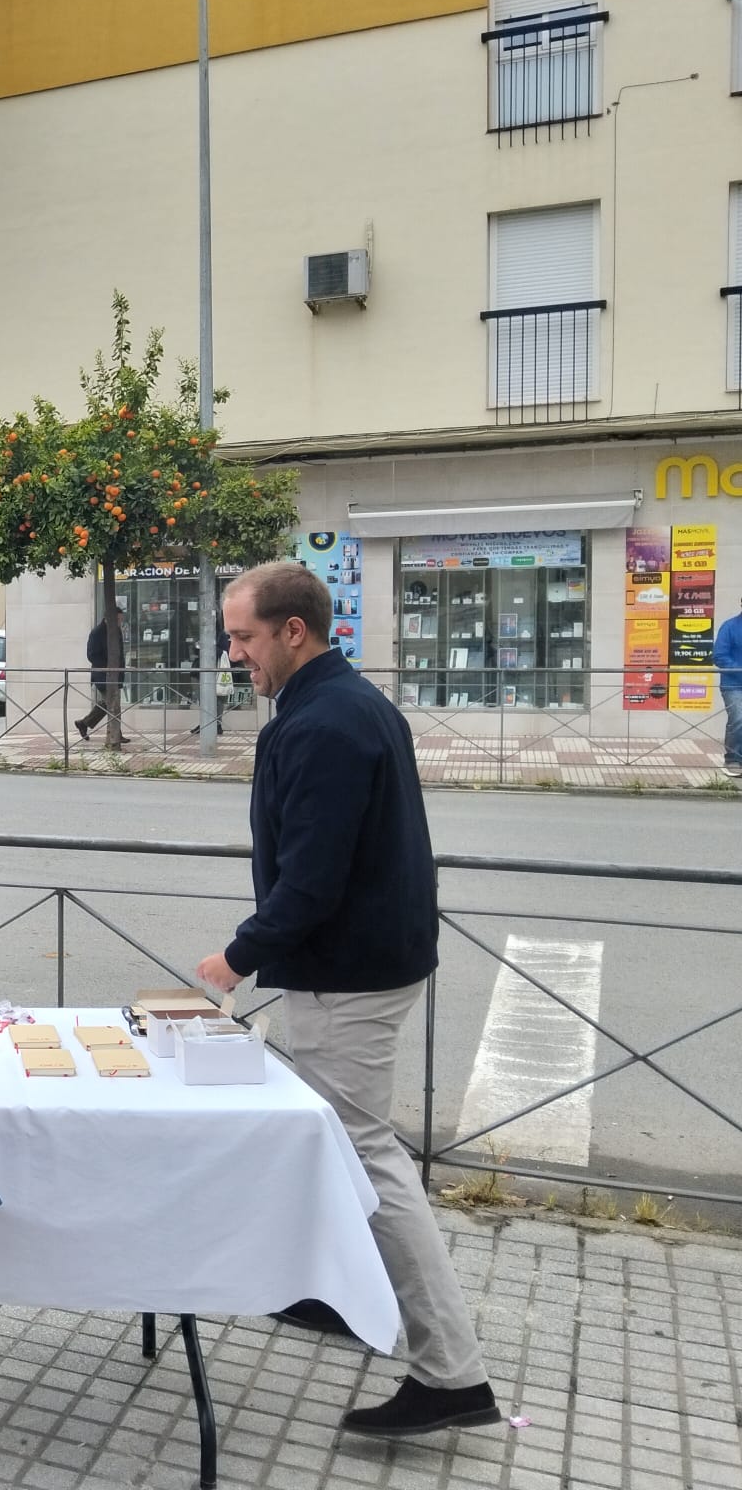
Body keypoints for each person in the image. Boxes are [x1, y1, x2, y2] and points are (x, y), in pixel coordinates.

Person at [194, 561, 498, 1440]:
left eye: (245, 637)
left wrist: (236, 958)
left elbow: (312, 877)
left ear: (295, 631)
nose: (235, 653)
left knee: (370, 1161)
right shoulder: (352, 703)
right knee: (343, 1144)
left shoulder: (323, 724)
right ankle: (342, 1293)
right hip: (372, 959)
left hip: (349, 974)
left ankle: (452, 1375)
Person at [75, 612, 128, 743]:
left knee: (110, 703)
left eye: (121, 619)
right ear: (108, 617)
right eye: (118, 619)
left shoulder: (116, 631)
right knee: (111, 703)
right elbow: (91, 655)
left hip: (116, 673)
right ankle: (113, 733)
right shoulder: (97, 632)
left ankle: (86, 723)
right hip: (103, 674)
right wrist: (107, 666)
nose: (120, 622)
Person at [716, 592, 742, 779]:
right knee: (739, 718)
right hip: (733, 685)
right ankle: (732, 758)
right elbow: (719, 656)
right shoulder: (730, 626)